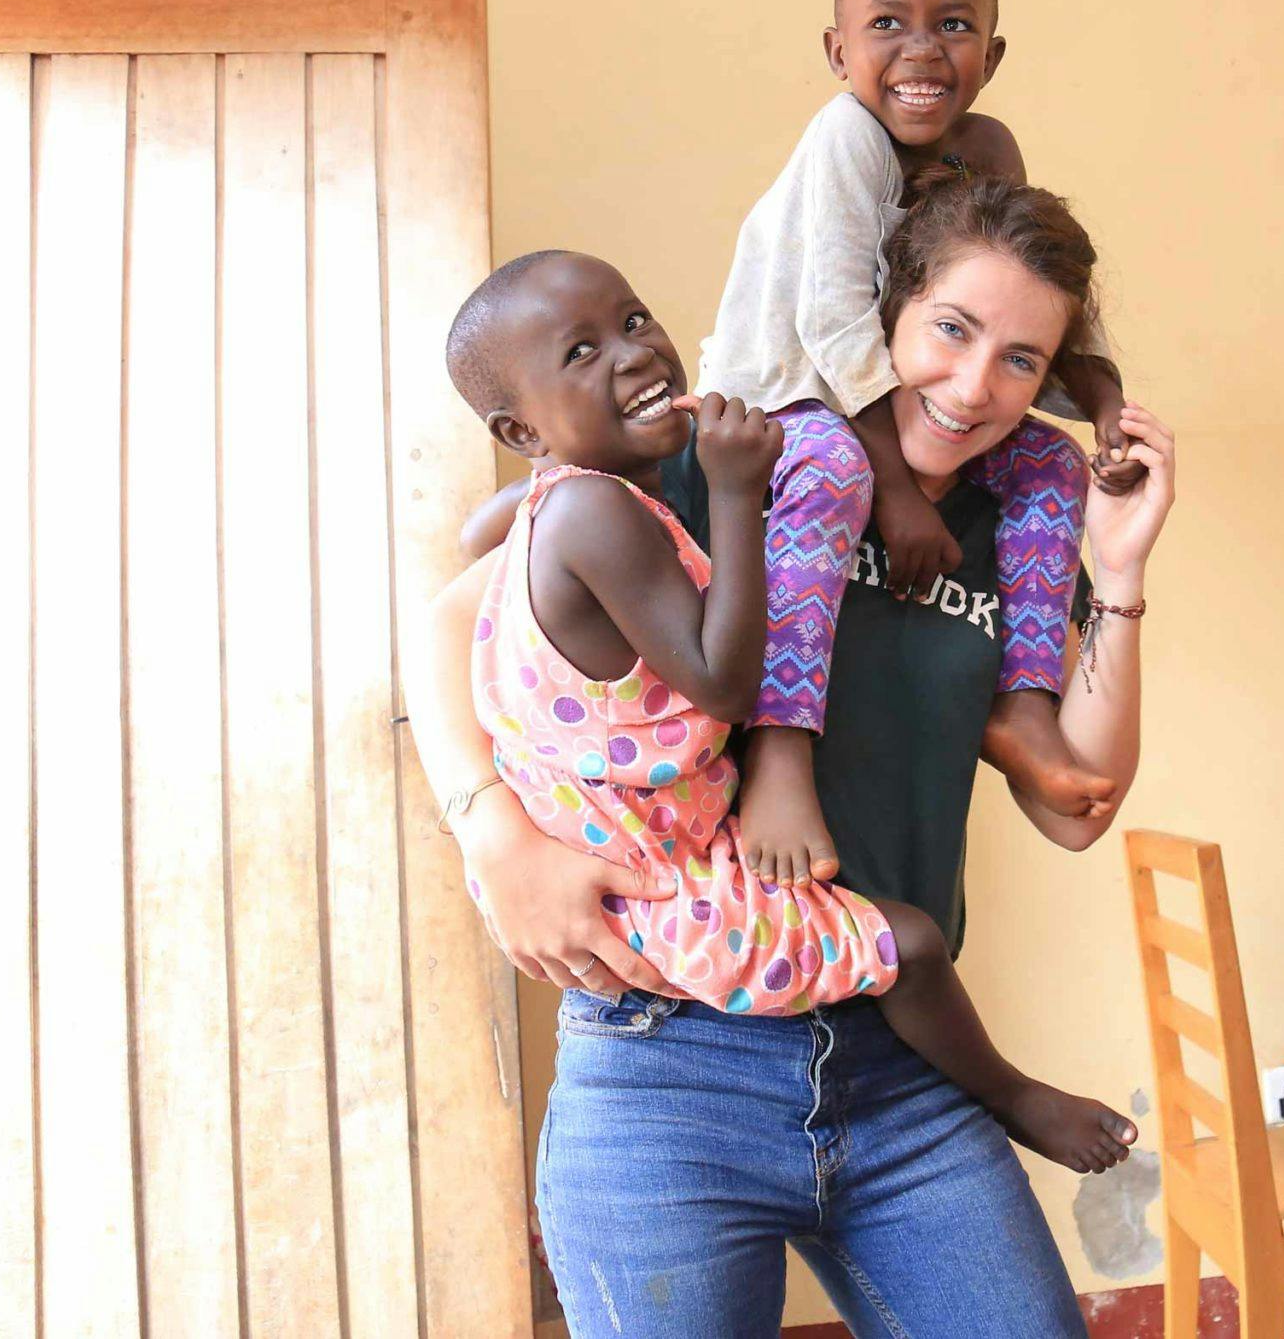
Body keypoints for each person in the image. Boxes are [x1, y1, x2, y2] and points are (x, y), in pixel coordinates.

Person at [403, 174, 1178, 1338]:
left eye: (1022, 360)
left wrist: (1114, 574)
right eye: (951, 332)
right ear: (882, 320)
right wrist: (493, 835)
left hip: (905, 1060)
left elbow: (1075, 807)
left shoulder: (1013, 529)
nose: (974, 387)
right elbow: (443, 619)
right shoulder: (731, 453)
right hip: (672, 1063)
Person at [462, 0, 1132, 886]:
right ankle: (782, 745)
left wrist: (1106, 420)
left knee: (1052, 460)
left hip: (887, 972)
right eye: (887, 24)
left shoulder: (980, 157)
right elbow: (827, 327)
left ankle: (1022, 701)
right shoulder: (844, 147)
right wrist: (496, 839)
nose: (922, 51)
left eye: (952, 27)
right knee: (825, 466)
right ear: (836, 47)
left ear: (991, 52)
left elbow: (1038, 294)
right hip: (785, 395)